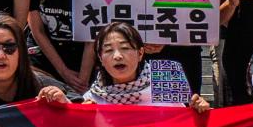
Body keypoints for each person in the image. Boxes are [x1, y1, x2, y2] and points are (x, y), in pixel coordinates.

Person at [38, 20, 212, 111]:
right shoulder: (93, 98)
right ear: (100, 58)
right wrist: (62, 102)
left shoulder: (167, 76)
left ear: (140, 53)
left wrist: (199, 109)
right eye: (108, 50)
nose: (117, 56)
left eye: (125, 48)